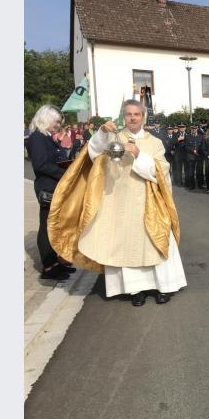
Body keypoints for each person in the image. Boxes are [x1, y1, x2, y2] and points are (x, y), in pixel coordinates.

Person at [48, 99, 186, 306]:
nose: (133, 118)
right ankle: (135, 290)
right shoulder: (115, 137)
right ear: (124, 116)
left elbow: (161, 172)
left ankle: (163, 287)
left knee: (155, 241)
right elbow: (93, 154)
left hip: (148, 201)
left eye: (136, 114)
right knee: (125, 246)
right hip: (119, 203)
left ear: (143, 117)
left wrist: (138, 154)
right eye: (129, 114)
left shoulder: (154, 142)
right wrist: (103, 132)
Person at [26, 105, 73, 280]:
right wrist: (64, 174)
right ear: (46, 119)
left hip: (54, 186)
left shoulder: (45, 137)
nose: (59, 125)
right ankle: (48, 267)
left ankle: (56, 262)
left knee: (55, 227)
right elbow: (41, 165)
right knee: (47, 228)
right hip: (47, 187)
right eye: (57, 121)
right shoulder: (37, 138)